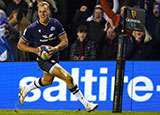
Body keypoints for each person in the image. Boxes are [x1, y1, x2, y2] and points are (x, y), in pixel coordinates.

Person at [17, 1, 98, 112]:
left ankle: (26, 89)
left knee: (47, 81)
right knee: (68, 78)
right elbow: (20, 45)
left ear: (49, 11)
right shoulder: (32, 28)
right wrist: (35, 50)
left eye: (45, 11)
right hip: (43, 60)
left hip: (54, 57)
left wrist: (56, 48)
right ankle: (87, 104)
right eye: (40, 12)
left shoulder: (56, 24)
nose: (42, 14)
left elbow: (65, 41)